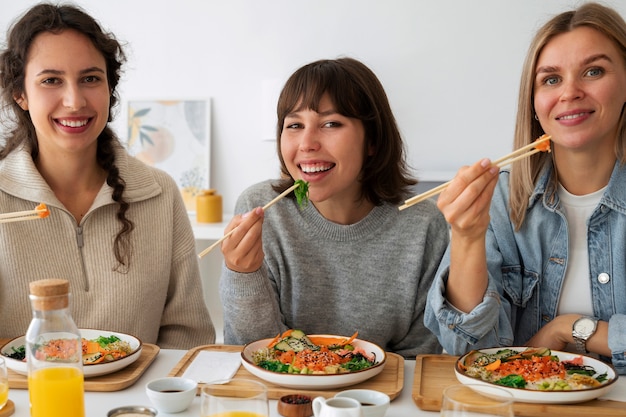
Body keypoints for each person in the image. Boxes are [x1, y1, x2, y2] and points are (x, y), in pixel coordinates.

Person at [424, 2, 626, 374]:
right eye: (551, 79)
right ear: (534, 103)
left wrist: (570, 330)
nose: (570, 92)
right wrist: (467, 237)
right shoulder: (501, 200)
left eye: (593, 71)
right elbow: (472, 355)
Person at [0, 3, 215, 349]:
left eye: (90, 79)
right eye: (51, 80)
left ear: (109, 89)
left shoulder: (160, 193)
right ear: (20, 93)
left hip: (137, 402)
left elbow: (188, 337)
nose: (74, 101)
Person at [218, 57, 449, 358]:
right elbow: (250, 352)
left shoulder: (423, 224)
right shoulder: (260, 209)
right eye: (295, 125)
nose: (307, 143)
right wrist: (242, 273)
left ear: (373, 140)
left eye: (330, 123)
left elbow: (416, 361)